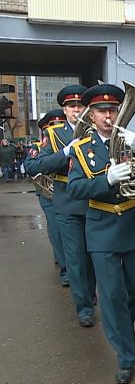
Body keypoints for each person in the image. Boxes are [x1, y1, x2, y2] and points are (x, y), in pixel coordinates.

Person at [67, 83, 135, 384]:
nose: (109, 115)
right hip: (102, 227)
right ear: (91, 116)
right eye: (102, 111)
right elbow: (75, 188)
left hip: (132, 222)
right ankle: (126, 356)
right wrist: (106, 178)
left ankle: (120, 328)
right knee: (113, 294)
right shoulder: (81, 149)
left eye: (113, 109)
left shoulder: (132, 141)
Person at [34, 84, 96, 327]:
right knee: (75, 259)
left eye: (80, 106)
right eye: (72, 106)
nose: (76, 110)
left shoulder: (96, 130)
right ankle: (84, 307)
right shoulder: (53, 134)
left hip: (94, 201)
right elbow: (38, 165)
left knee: (94, 255)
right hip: (68, 203)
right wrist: (65, 153)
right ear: (64, 109)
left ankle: (90, 295)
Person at [24, 110, 69, 286]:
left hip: (67, 191)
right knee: (57, 231)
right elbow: (29, 165)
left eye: (60, 124)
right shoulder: (39, 145)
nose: (57, 128)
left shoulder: (69, 141)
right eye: (53, 125)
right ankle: (66, 270)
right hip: (47, 194)